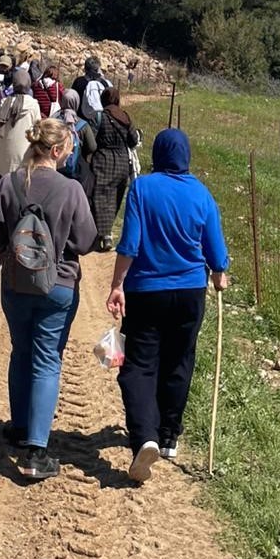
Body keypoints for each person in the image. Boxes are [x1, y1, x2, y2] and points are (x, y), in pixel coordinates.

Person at [105, 129, 230, 483]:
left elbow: (130, 242)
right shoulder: (202, 194)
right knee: (179, 359)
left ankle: (145, 435)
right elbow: (216, 251)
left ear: (159, 154)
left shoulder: (143, 188)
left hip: (146, 290)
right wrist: (219, 272)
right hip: (190, 292)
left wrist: (117, 285)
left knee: (140, 366)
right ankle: (168, 435)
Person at [0, 119, 96, 479]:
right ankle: (36, 450)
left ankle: (18, 426)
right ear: (58, 151)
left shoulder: (9, 183)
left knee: (21, 351)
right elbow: (85, 240)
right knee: (47, 360)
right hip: (58, 286)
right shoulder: (71, 189)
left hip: (16, 283)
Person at [87, 86, 139, 251]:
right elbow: (133, 140)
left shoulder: (99, 117)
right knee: (115, 197)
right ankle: (107, 233)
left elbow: (92, 141)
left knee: (101, 196)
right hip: (122, 161)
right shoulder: (125, 117)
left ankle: (100, 234)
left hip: (103, 160)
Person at [0, 69, 41, 179]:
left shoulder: (5, 104)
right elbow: (37, 132)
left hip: (4, 158)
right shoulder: (33, 105)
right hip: (25, 156)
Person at [72, 56, 112, 120]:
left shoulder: (79, 82)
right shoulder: (104, 83)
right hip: (99, 119)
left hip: (80, 118)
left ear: (85, 68)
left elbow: (72, 99)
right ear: (98, 69)